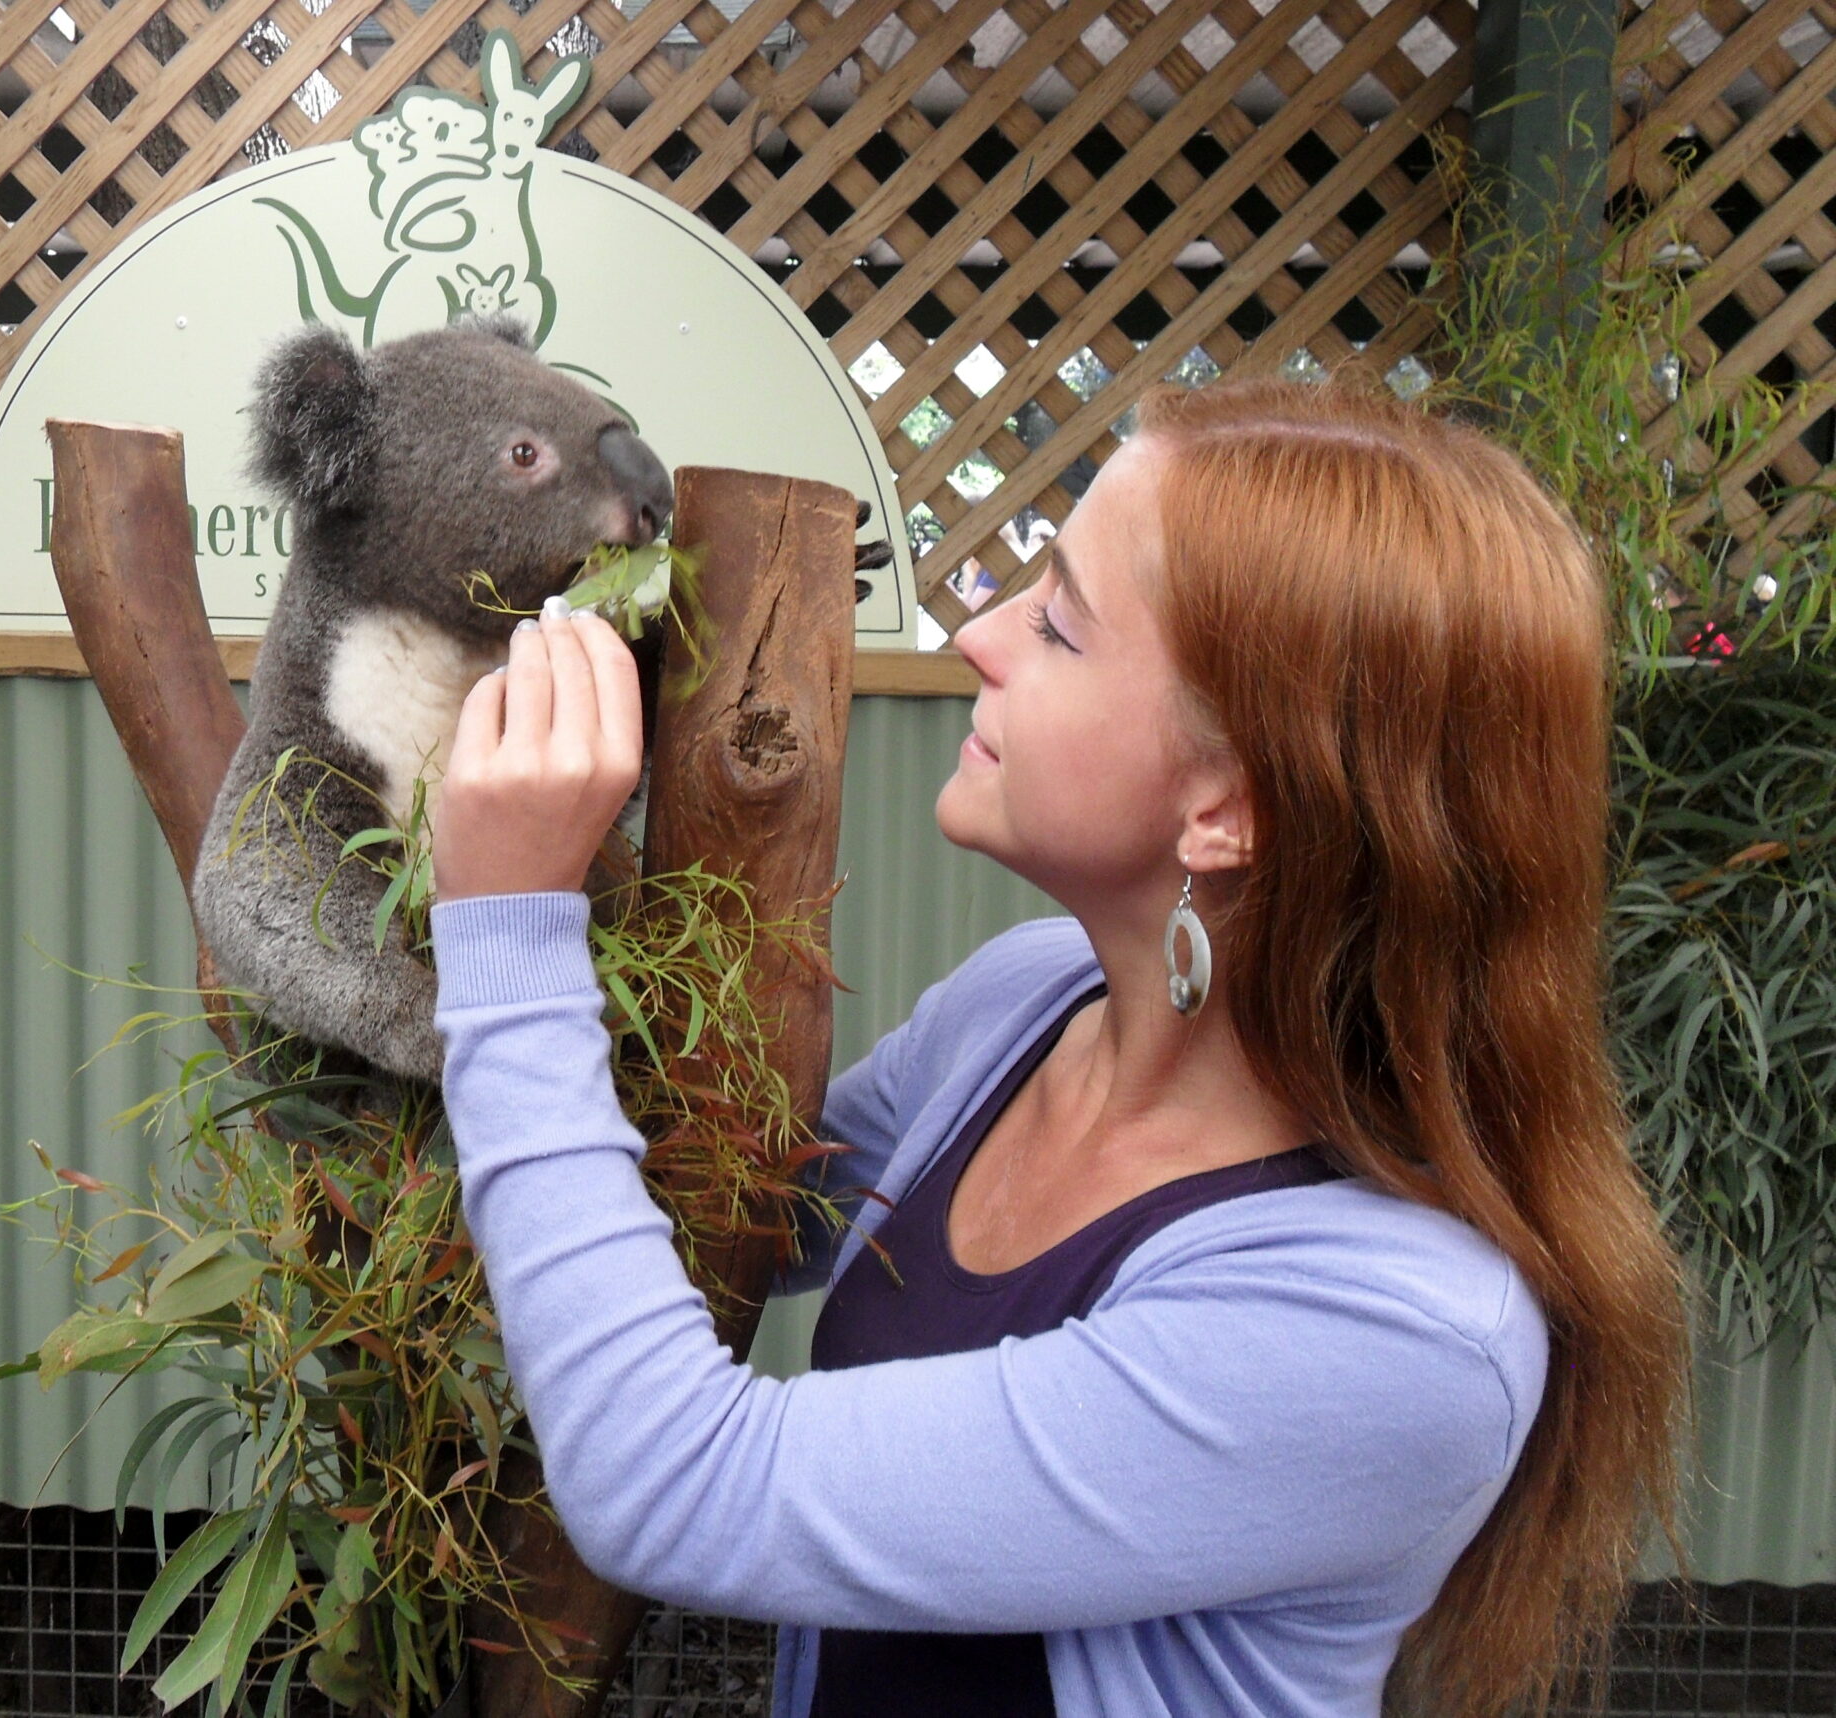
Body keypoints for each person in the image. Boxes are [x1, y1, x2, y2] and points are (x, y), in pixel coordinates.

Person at [421, 379, 1689, 1718]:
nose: (980, 636)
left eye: (1065, 627)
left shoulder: (1395, 1328)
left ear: (1228, 808)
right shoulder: (1024, 1008)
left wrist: (508, 926)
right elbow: (710, 1214)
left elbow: (674, 1479)